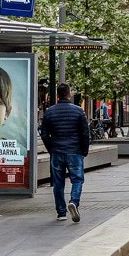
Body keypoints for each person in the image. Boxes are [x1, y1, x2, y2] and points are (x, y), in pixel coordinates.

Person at [42, 83, 91, 221]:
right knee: (77, 179)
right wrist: (84, 150)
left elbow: (44, 134)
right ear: (69, 94)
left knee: (58, 183)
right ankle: (74, 202)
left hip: (57, 151)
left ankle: (61, 213)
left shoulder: (49, 112)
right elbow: (84, 133)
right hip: (74, 151)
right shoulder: (78, 111)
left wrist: (51, 149)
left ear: (57, 95)